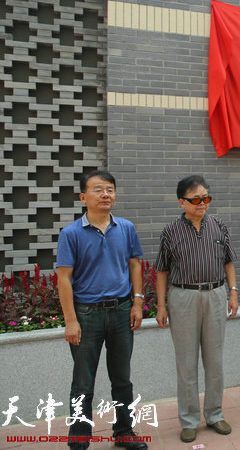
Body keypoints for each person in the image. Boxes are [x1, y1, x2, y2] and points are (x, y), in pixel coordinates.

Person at [55, 170, 148, 450]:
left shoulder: (126, 228)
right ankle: (79, 439)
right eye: (98, 189)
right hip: (87, 315)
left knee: (122, 378)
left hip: (121, 312)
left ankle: (124, 432)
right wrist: (71, 321)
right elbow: (63, 278)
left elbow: (135, 265)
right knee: (83, 382)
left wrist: (137, 302)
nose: (105, 194)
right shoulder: (71, 233)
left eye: (110, 189)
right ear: (83, 197)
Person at [155, 175, 238, 443]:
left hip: (216, 294)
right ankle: (189, 420)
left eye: (206, 198)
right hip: (183, 297)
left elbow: (229, 262)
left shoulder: (219, 226)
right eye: (196, 199)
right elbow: (162, 271)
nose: (202, 203)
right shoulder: (170, 231)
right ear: (182, 202)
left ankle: (215, 414)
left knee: (215, 361)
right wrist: (161, 306)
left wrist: (233, 292)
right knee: (186, 363)